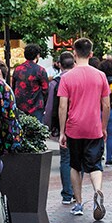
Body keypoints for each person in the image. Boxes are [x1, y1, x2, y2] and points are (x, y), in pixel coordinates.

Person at [58, 38, 110, 221]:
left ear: (74, 53)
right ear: (91, 54)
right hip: (94, 126)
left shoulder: (66, 77)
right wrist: (103, 126)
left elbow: (62, 106)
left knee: (75, 165)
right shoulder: (100, 76)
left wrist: (62, 131)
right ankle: (98, 191)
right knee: (95, 164)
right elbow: (106, 105)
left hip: (74, 128)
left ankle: (79, 203)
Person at [44, 51, 75, 204]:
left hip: (64, 125)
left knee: (66, 159)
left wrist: (49, 127)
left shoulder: (55, 82)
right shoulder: (79, 79)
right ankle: (77, 191)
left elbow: (50, 108)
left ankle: (67, 194)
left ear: (59, 65)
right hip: (81, 124)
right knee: (78, 159)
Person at [11, 44, 49, 118]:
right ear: (37, 56)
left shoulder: (18, 69)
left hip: (20, 106)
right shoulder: (40, 70)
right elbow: (46, 90)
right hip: (36, 106)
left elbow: (13, 87)